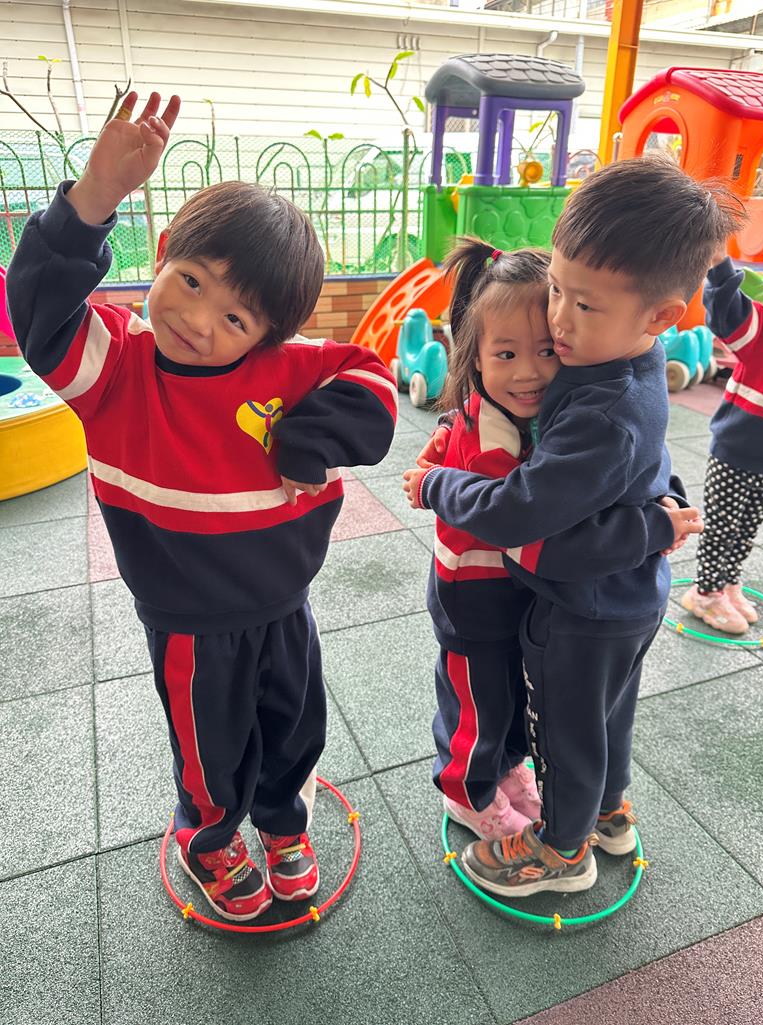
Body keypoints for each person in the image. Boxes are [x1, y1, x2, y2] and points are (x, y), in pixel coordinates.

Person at [6, 92, 397, 922]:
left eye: (234, 314)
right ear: (162, 254)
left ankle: (283, 823)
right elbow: (38, 315)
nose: (196, 318)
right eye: (189, 280)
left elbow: (370, 376)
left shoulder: (285, 368)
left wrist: (306, 442)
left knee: (294, 728)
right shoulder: (118, 364)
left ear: (267, 334)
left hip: (285, 606)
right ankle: (210, 838)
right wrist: (93, 197)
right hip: (188, 620)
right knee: (208, 748)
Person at [404, 157, 743, 897]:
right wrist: (659, 515)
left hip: (582, 607)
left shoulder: (601, 410)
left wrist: (437, 485)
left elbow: (518, 512)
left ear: (660, 317)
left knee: (565, 730)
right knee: (605, 717)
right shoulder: (621, 361)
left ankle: (560, 850)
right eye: (557, 287)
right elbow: (648, 462)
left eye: (582, 304)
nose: (557, 319)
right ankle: (609, 811)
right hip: (625, 596)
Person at [420, 237, 703, 844]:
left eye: (545, 350)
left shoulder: (557, 416)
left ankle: (505, 770)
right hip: (473, 596)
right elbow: (514, 517)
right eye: (505, 354)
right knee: (476, 705)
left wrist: (664, 499)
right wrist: (436, 480)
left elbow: (633, 461)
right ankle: (468, 794)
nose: (529, 371)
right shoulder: (490, 431)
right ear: (475, 360)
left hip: (521, 593)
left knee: (509, 701)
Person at [682, 250, 763, 634]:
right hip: (737, 449)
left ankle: (728, 584)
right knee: (723, 525)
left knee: (748, 526)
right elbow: (728, 316)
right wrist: (719, 266)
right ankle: (704, 592)